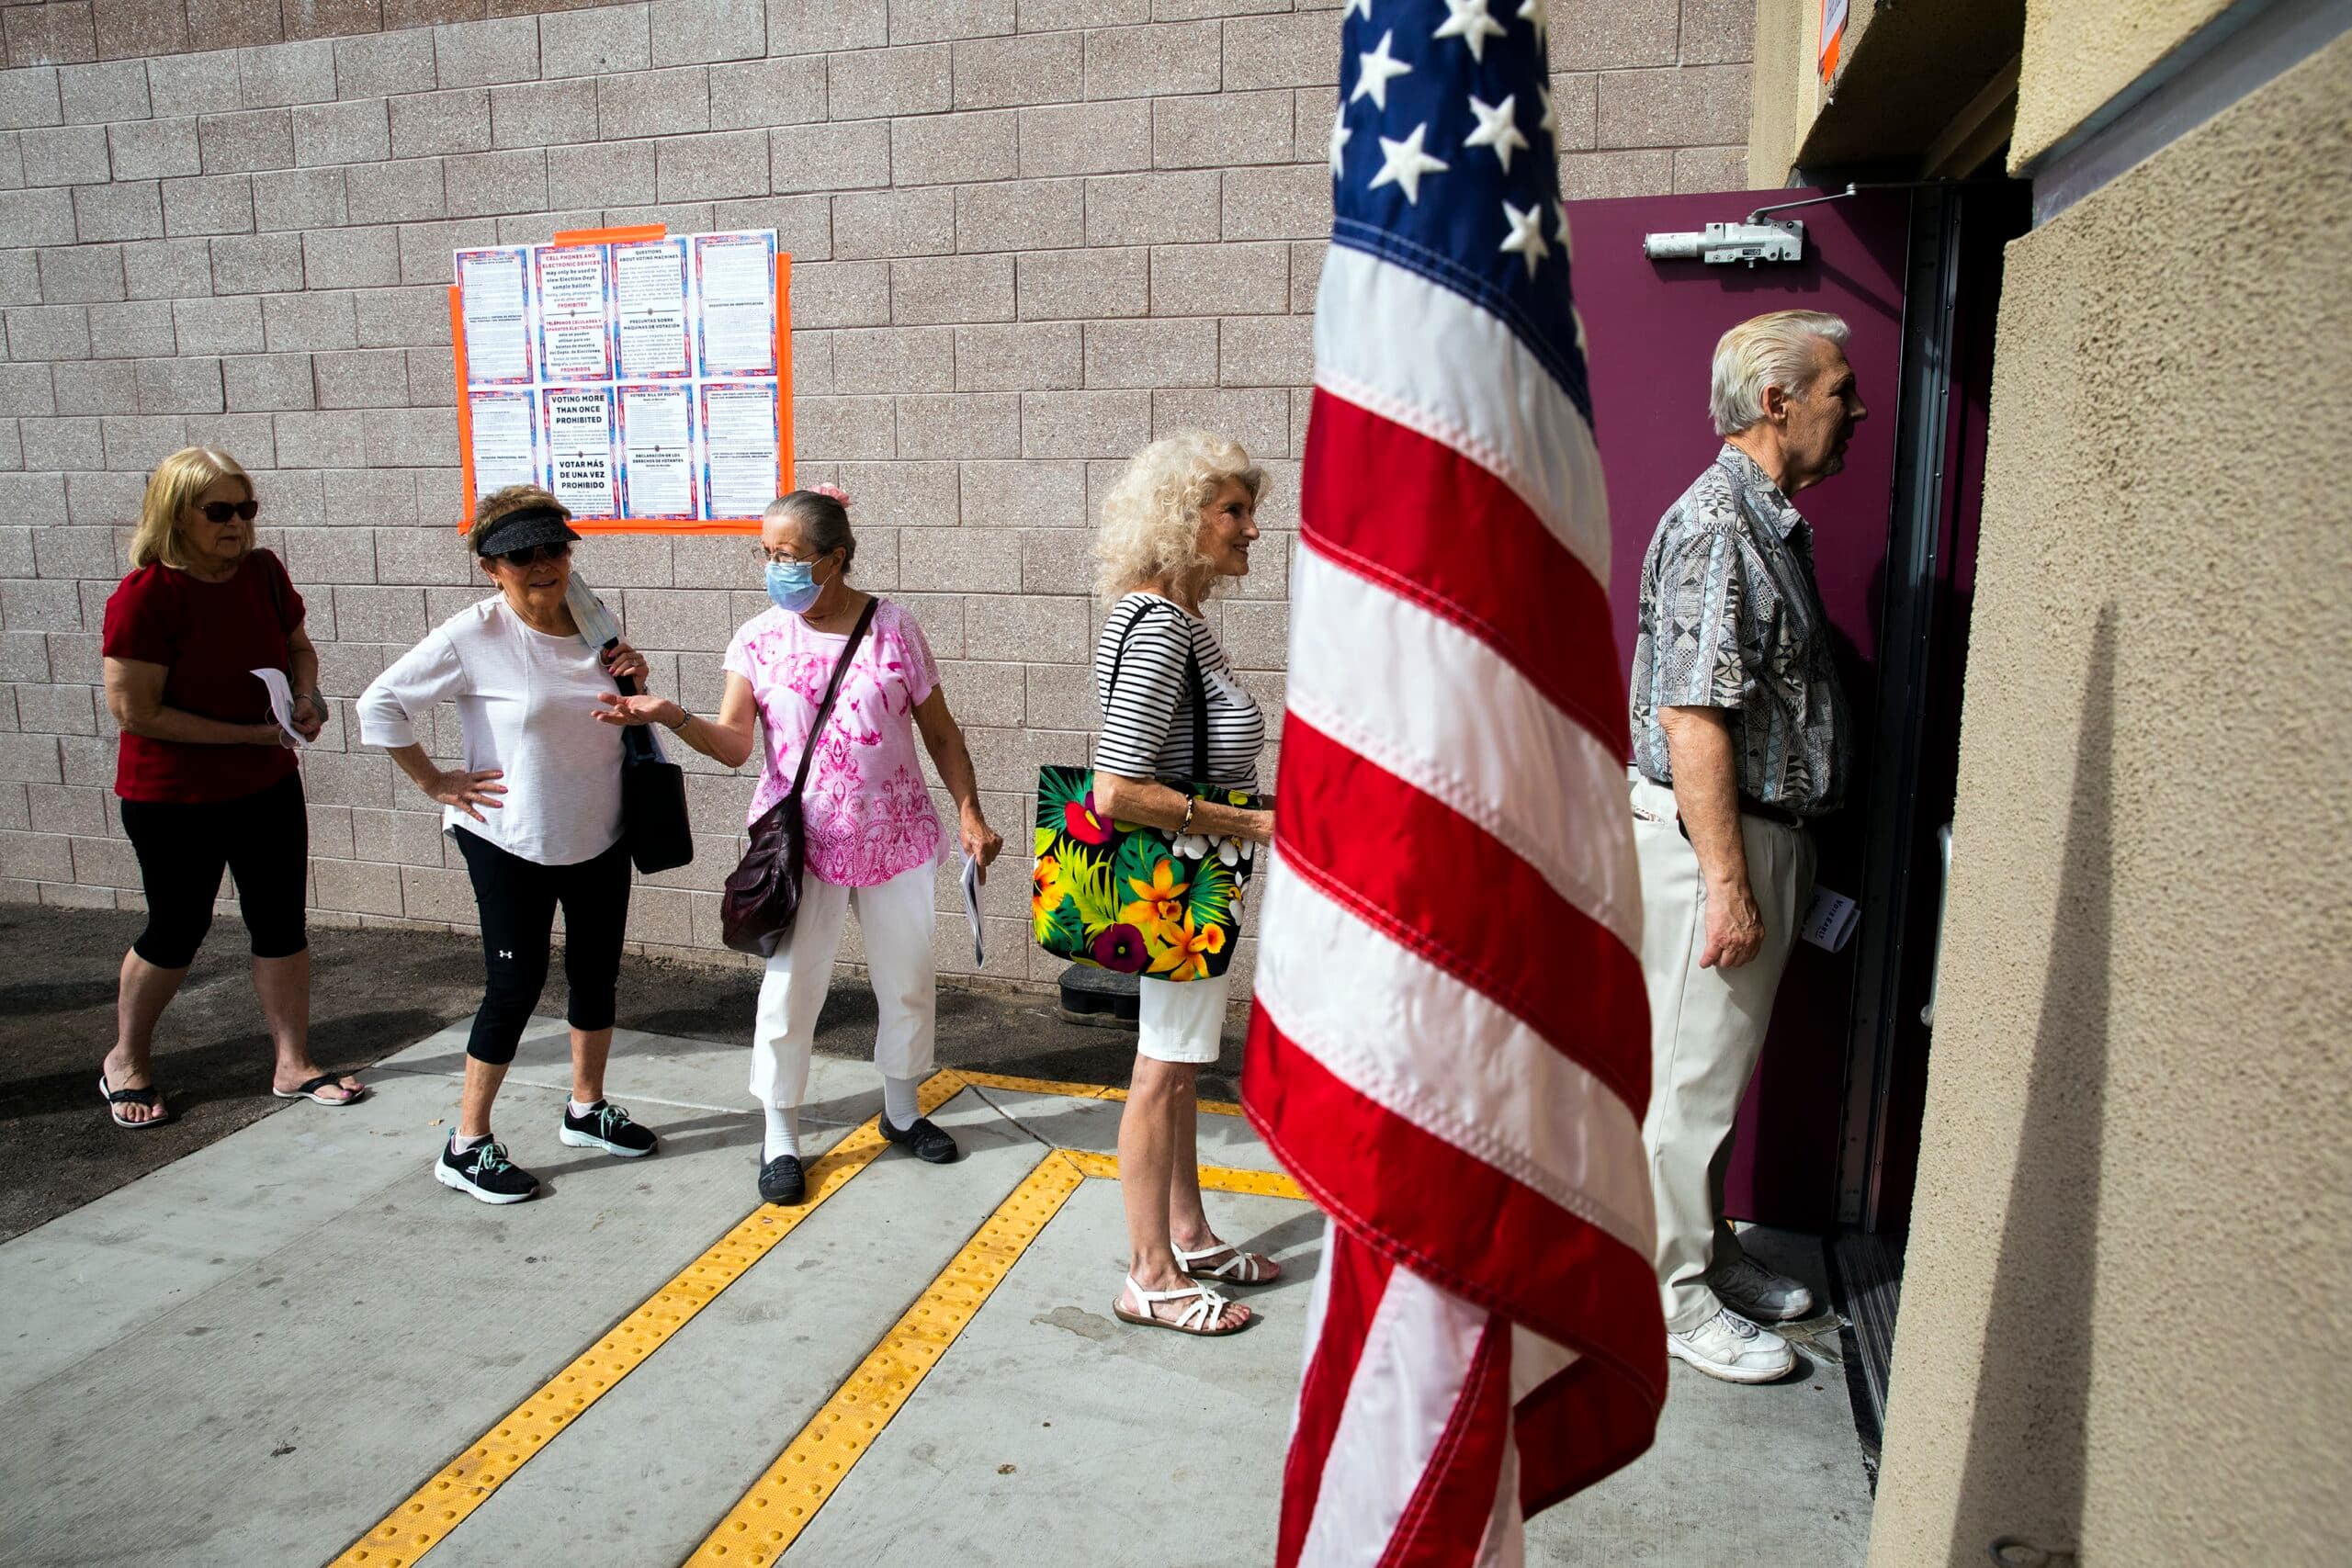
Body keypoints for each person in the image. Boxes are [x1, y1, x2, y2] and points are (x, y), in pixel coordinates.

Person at [596, 484, 1003, 1205]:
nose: (774, 567)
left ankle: (903, 1110)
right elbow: (732, 744)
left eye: (788, 555)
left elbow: (941, 732)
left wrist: (968, 808)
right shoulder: (756, 637)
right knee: (790, 993)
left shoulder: (893, 627)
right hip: (801, 843)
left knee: (906, 980)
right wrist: (673, 713)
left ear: (835, 559)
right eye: (766, 553)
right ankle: (779, 1131)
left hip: (897, 835)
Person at [1628, 310, 1867, 1382]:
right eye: (1836, 392)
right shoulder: (1723, 525)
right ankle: (1668, 1299)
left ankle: (1702, 1254)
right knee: (1687, 1080)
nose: (1853, 412)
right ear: (1778, 403)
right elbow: (1692, 718)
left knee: (1708, 1078)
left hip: (1748, 839)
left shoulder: (1761, 520)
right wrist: (1727, 882)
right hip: (1711, 844)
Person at [356, 485, 662, 1204]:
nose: (543, 563)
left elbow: (607, 710)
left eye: (554, 547)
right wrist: (435, 781)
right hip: (509, 837)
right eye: (521, 554)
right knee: (514, 987)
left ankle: (586, 1109)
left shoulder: (592, 614)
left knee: (596, 974)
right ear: (490, 566)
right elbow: (380, 703)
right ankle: (467, 1144)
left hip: (599, 827)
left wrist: (635, 681)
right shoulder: (474, 635)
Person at [96, 446, 361, 1128]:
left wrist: (306, 695)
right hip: (172, 795)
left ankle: (294, 1062)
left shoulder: (264, 573)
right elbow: (136, 710)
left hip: (265, 781)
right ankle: (126, 1058)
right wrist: (246, 736)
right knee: (176, 928)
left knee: (279, 920)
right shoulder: (146, 597)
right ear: (175, 514)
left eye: (247, 508)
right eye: (220, 511)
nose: (238, 524)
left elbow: (298, 647)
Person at [1088, 433, 1280, 1337]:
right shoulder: (1160, 625)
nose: (1252, 531)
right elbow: (1117, 788)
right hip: (1179, 879)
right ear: (1181, 518)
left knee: (1175, 1061)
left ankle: (1189, 1234)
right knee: (1161, 1073)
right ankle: (1151, 1275)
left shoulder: (1166, 617)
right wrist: (1254, 823)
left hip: (1189, 877)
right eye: (1234, 512)